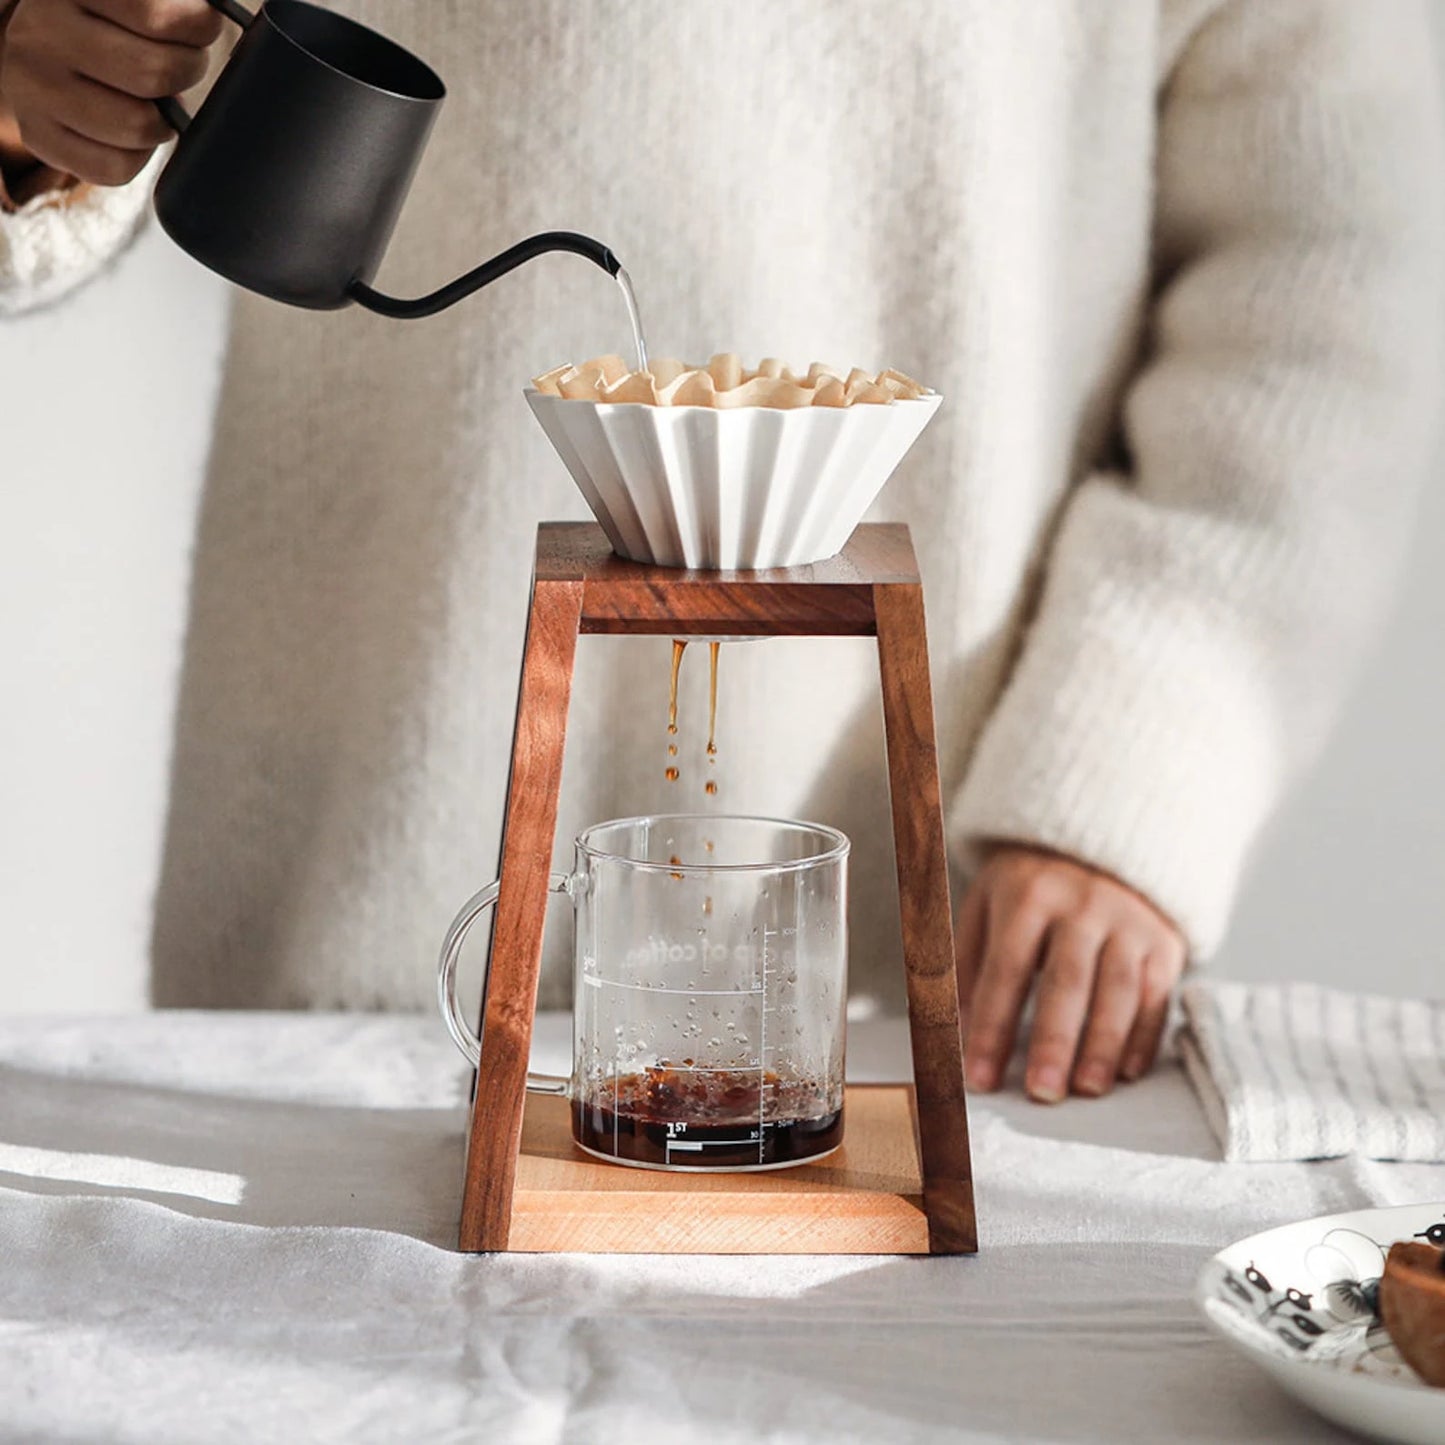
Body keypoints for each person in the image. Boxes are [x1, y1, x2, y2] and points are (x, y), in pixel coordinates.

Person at [1, 0, 1439, 1103]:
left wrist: (1137, 749)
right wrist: (36, 90)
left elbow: (1327, 259)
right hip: (349, 857)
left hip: (918, 927)